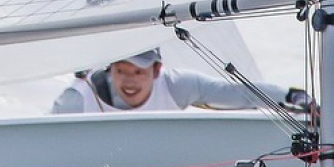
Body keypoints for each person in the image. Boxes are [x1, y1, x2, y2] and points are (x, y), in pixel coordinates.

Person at [50, 48, 315, 114]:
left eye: (138, 72)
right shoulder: (77, 99)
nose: (129, 81)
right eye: (122, 71)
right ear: (111, 70)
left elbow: (235, 93)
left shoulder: (176, 86)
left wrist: (290, 97)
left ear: (156, 70)